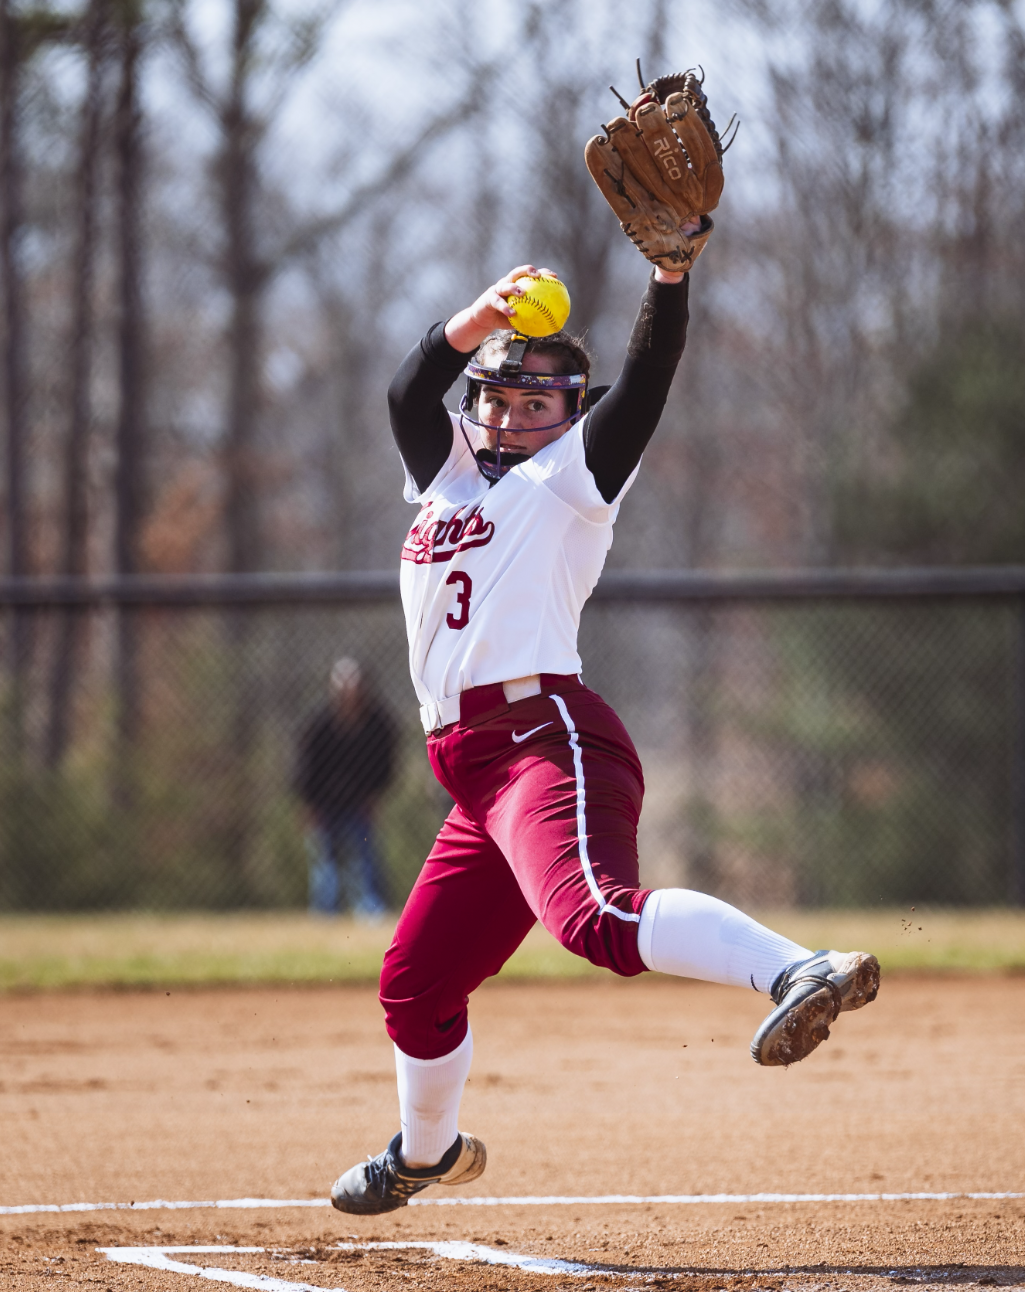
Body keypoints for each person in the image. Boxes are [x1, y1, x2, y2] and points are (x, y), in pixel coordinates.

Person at [328, 239, 881, 1217]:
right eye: (497, 398)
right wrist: (479, 317)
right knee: (414, 979)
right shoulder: (446, 476)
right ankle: (425, 1152)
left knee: (591, 915)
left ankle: (797, 968)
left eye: (536, 402)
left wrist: (669, 275)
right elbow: (409, 397)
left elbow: (651, 375)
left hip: (546, 739)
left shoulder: (571, 479)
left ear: (569, 414)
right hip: (473, 772)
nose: (510, 414)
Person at [294, 658, 397, 919]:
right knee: (325, 862)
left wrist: (373, 796)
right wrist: (309, 805)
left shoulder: (378, 725)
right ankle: (325, 912)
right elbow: (304, 767)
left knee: (365, 857)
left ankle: (371, 909)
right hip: (324, 802)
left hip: (359, 802)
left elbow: (385, 764)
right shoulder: (319, 725)